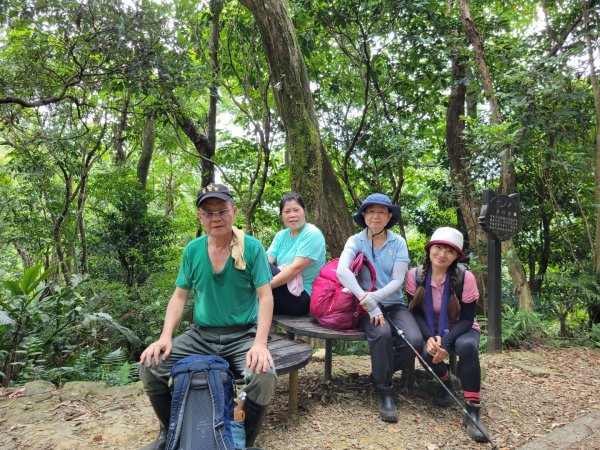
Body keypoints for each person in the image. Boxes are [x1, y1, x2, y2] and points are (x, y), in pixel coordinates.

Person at [138, 183, 277, 450]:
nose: (216, 218)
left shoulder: (252, 248)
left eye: (222, 211)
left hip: (242, 335)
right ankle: (169, 432)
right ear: (200, 217)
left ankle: (245, 441)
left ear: (234, 212)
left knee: (265, 375)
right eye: (208, 212)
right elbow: (179, 296)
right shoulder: (193, 249)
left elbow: (265, 296)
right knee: (150, 367)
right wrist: (165, 337)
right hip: (201, 335)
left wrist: (260, 343)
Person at [336, 193, 422, 423]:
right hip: (363, 305)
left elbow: (397, 281)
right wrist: (369, 302)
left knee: (414, 340)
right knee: (382, 334)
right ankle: (385, 390)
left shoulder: (398, 242)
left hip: (393, 303)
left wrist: (375, 297)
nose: (376, 216)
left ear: (389, 216)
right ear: (363, 215)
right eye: (371, 211)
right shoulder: (355, 240)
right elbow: (342, 271)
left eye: (381, 212)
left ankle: (379, 373)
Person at [404, 227, 489, 443]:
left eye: (449, 251)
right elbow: (414, 313)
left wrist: (447, 340)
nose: (442, 254)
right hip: (430, 328)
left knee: (467, 347)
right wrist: (429, 338)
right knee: (422, 349)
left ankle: (472, 409)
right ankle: (446, 381)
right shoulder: (414, 276)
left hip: (461, 327)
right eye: (438, 248)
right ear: (430, 249)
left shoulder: (465, 278)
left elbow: (468, 319)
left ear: (456, 257)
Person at [267, 192, 326, 316]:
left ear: (304, 211)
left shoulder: (312, 233)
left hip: (302, 298)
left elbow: (295, 269)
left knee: (261, 268)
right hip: (283, 291)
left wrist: (262, 288)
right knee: (256, 264)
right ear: (281, 215)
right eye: (287, 211)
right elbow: (265, 261)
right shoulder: (281, 235)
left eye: (296, 210)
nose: (292, 215)